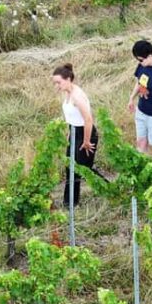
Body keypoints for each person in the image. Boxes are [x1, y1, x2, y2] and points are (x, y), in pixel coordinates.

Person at [52, 63, 98, 208]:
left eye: (58, 82)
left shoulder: (77, 96)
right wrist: (68, 134)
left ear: (68, 79)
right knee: (70, 169)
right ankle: (70, 203)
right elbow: (72, 117)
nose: (57, 86)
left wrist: (85, 141)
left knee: (83, 169)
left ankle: (111, 190)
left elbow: (88, 120)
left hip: (85, 134)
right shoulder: (68, 93)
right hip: (73, 133)